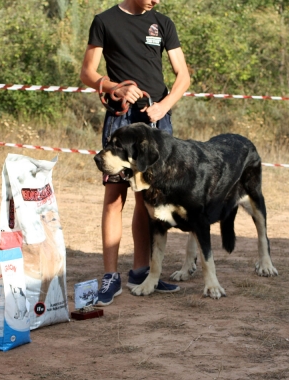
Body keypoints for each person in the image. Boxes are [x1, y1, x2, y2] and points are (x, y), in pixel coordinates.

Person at [79, 0, 191, 306]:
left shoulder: (163, 23)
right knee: (115, 196)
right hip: (121, 121)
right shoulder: (104, 21)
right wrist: (114, 87)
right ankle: (110, 276)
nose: (156, 1)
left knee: (149, 199)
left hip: (156, 121)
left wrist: (164, 107)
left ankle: (143, 271)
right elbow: (87, 73)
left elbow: (183, 75)